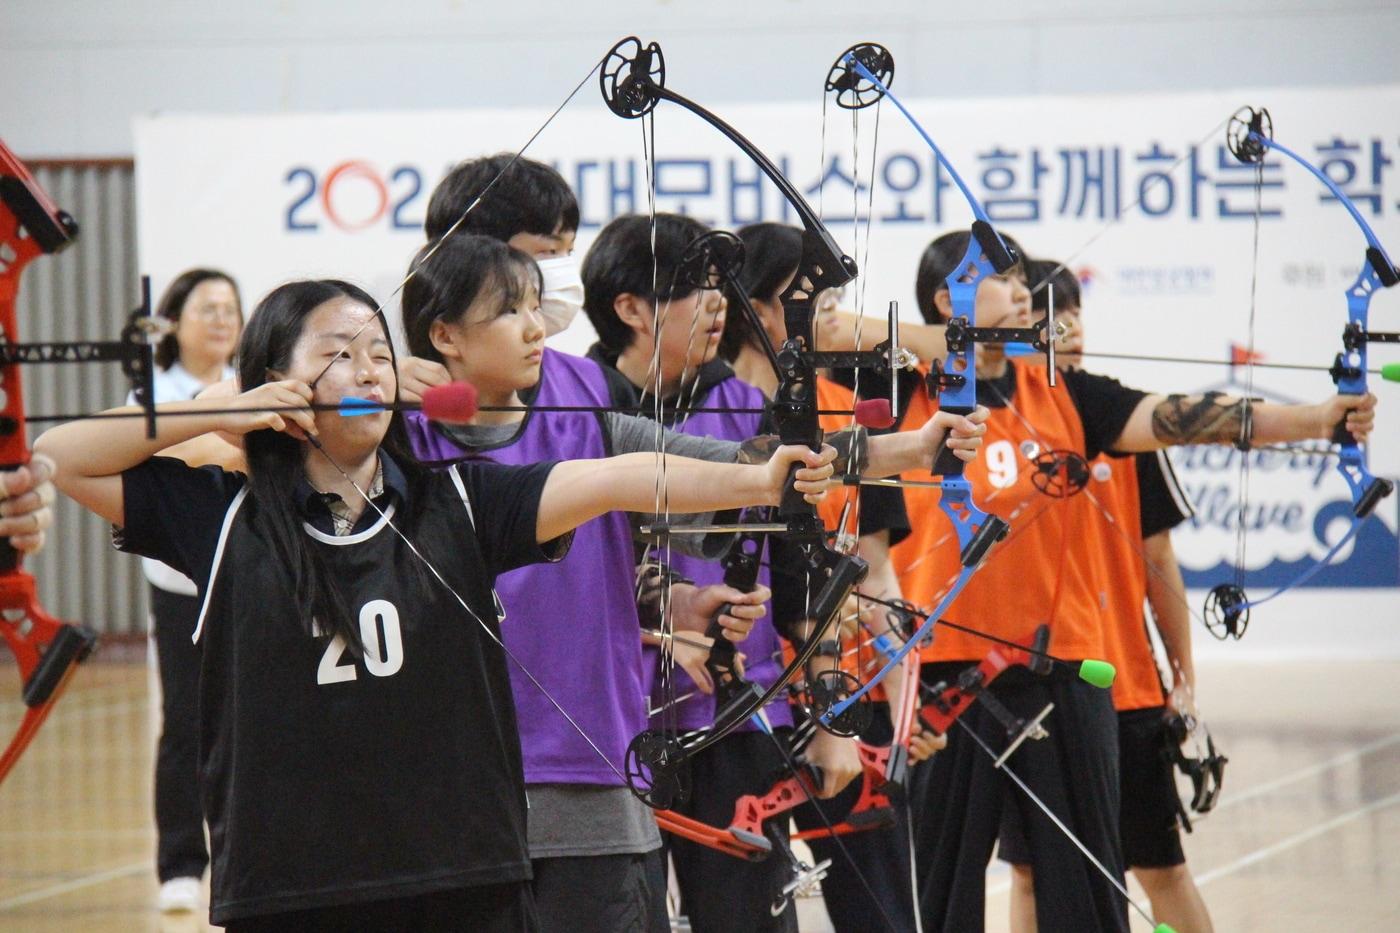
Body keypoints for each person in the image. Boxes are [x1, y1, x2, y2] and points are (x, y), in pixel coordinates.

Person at [35, 277, 847, 931]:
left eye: (379, 356)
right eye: (339, 355)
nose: (370, 371)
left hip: (461, 875)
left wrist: (756, 477)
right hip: (288, 882)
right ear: (280, 376)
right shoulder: (219, 513)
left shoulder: (457, 497)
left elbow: (616, 478)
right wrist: (222, 406)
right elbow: (60, 457)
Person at [399, 230, 983, 932]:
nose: (534, 327)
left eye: (534, 305)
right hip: (455, 785)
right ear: (444, 335)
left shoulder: (589, 413)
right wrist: (373, 386)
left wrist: (911, 447)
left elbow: (749, 459)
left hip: (592, 776)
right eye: (508, 311)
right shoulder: (394, 437)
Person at [890, 229, 1374, 933]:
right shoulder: (897, 386)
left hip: (1063, 670)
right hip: (943, 676)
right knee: (938, 898)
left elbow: (1185, 417)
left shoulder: (1064, 392)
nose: (1027, 291)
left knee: (1086, 890)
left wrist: (1316, 419)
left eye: (1025, 278)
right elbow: (829, 329)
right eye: (1004, 278)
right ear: (946, 297)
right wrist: (954, 341)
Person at [718, 221, 929, 933]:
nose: (828, 318)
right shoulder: (704, 411)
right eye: (805, 299)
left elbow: (876, 572)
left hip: (844, 700)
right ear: (749, 305)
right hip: (739, 705)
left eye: (832, 300)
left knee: (882, 917)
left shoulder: (846, 410)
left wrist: (903, 713)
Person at [997, 261, 1215, 933]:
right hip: (1035, 690)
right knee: (1032, 874)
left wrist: (1183, 672)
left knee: (1161, 868)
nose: (1065, 330)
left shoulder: (1125, 428)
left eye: (1072, 314)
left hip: (1126, 691)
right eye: (1043, 318)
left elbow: (1159, 562)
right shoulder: (997, 433)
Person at [129, 268, 243, 913]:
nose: (223, 320)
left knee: (245, 716)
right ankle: (180, 861)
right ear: (175, 320)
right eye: (208, 308)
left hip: (247, 574)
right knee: (185, 721)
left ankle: (239, 850)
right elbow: (172, 464)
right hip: (179, 585)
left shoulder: (249, 387)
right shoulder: (154, 391)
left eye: (231, 308)